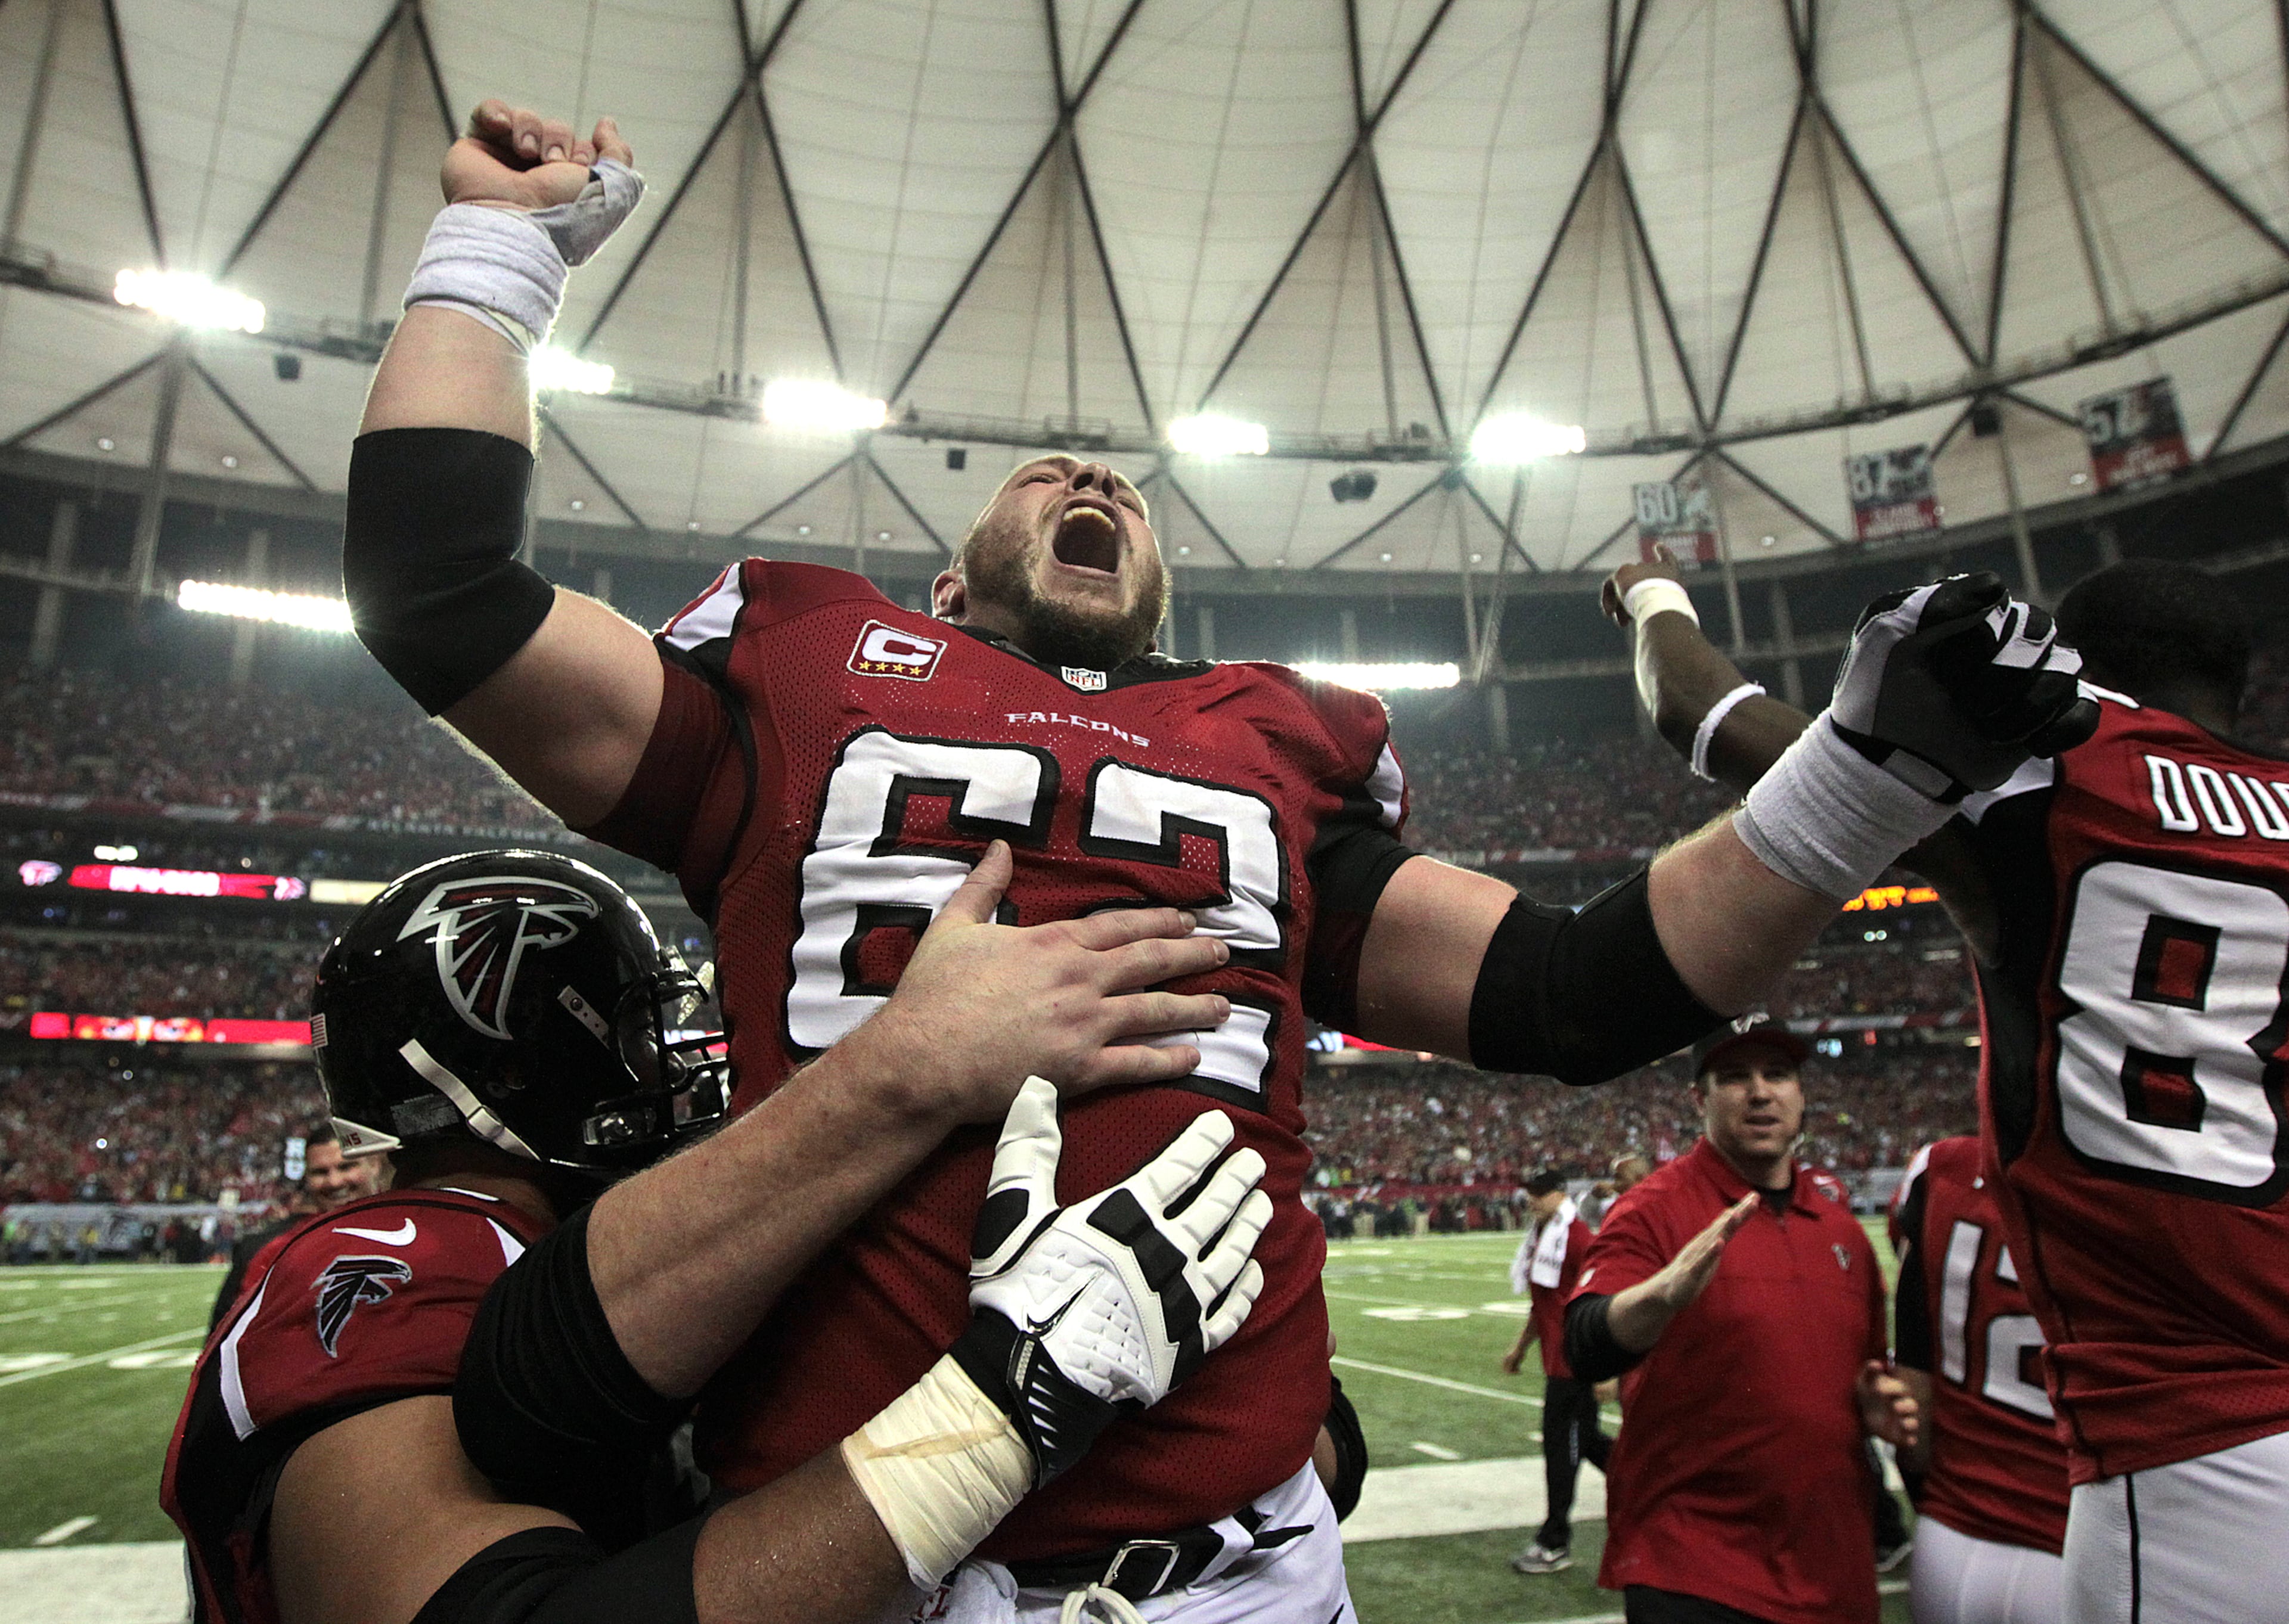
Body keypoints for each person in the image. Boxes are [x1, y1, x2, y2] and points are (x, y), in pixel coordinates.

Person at [339, 96, 2083, 1618]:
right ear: (946, 582)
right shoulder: (804, 664)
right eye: (1042, 470)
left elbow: (1566, 986)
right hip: (862, 1547)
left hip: (1245, 1561)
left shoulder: (1274, 733)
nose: (1089, 471)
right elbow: (442, 597)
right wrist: (494, 251)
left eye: (1117, 481)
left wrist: (1857, 785)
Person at [163, 848, 1267, 1624]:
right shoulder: (383, 1268)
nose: (672, 1063)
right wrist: (991, 1414)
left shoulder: (636, 1258)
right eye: (637, 1032)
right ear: (514, 1070)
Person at [1606, 550, 2289, 1623]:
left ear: (2073, 666)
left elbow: (1704, 711)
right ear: (2241, 688)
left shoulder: (2056, 779)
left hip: (2192, 1433)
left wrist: (1652, 597)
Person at [1562, 1016, 1920, 1624]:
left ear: (1801, 1095)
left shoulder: (1841, 1231)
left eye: (1777, 1074)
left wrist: (1876, 1402)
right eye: (1735, 1076)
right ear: (1700, 1098)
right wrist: (1661, 1295)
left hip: (1833, 1564)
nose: (1760, 1091)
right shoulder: (1653, 1208)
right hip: (1696, 1563)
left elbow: (1866, 1369)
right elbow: (1586, 1341)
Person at [1893, 1137, 2070, 1624]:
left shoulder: (1944, 1167)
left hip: (1949, 1539)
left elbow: (1914, 1395)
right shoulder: (2137, 1184)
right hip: (2076, 1540)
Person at [1500, 1169, 1609, 1575]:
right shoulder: (1543, 1237)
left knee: (1562, 1452)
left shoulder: (1578, 1237)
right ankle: (1655, 1490)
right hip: (1559, 1361)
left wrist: (1605, 1369)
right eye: (1531, 1193)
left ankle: (1554, 1542)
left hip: (1577, 1362)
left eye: (1541, 1194)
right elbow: (1542, 1303)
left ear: (1561, 1194)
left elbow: (1603, 1297)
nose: (1533, 1200)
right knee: (1589, 1442)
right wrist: (1520, 1348)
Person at [209, 1123, 379, 1330]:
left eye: (346, 1167)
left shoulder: (414, 1233)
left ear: (374, 1164)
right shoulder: (268, 1250)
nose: (334, 1182)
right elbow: (224, 1344)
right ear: (307, 1177)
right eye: (320, 1172)